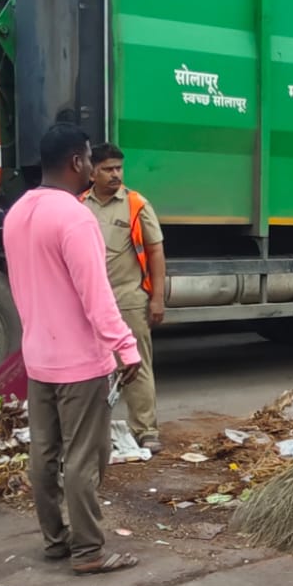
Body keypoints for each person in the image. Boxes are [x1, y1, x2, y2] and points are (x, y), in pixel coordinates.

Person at [6, 124, 144, 573]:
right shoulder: (75, 217)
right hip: (80, 361)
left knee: (44, 455)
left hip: (39, 357)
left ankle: (55, 539)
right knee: (86, 456)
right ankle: (89, 550)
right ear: (77, 163)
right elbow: (96, 294)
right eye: (88, 158)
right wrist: (125, 347)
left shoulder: (18, 213)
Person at [82, 143, 167, 453]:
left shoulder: (136, 205)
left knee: (137, 365)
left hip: (129, 299)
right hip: (90, 304)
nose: (115, 174)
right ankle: (92, 431)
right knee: (92, 368)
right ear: (92, 172)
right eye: (107, 169)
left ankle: (145, 431)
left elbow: (156, 251)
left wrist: (157, 299)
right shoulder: (79, 206)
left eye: (118, 168)